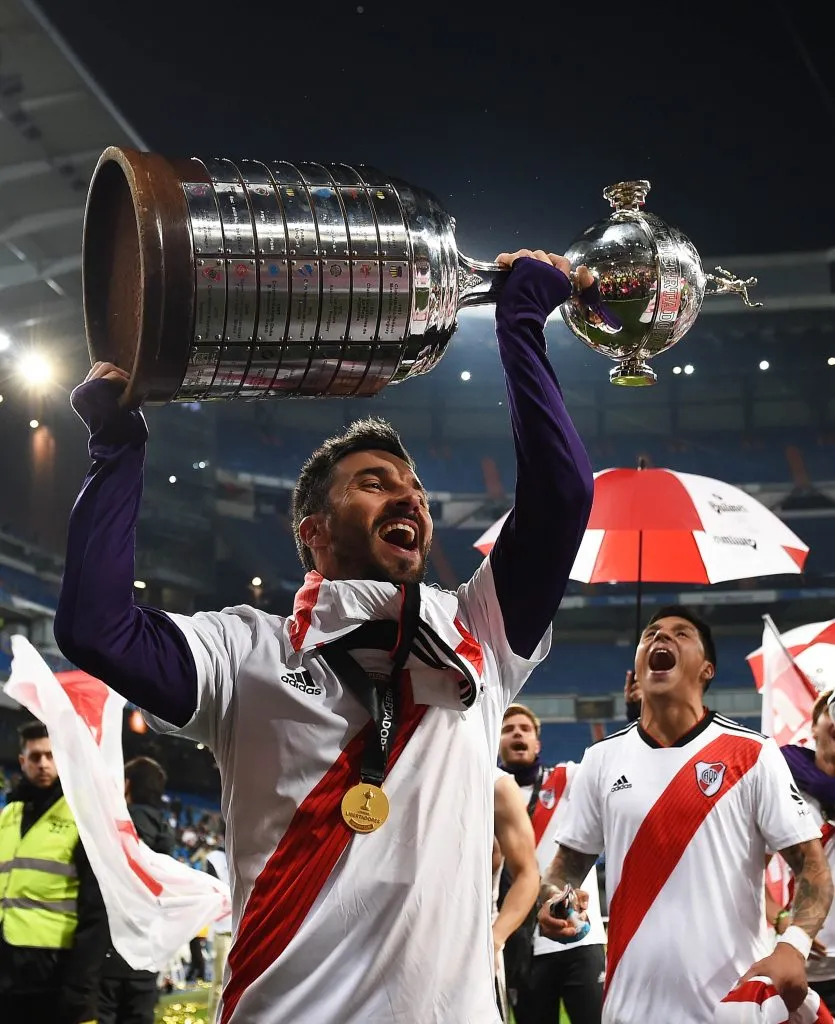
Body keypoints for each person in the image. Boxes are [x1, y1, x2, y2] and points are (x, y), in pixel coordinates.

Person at [53, 249, 596, 1023]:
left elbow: (562, 495)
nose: (408, 497)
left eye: (414, 489)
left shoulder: (476, 627)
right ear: (312, 531)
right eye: (374, 483)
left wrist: (521, 327)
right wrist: (116, 448)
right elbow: (96, 628)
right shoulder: (244, 651)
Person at [537, 605, 833, 1024]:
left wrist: (793, 946)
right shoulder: (600, 759)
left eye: (681, 634)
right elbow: (565, 867)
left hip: (732, 1009)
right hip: (628, 1011)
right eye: (651, 633)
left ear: (707, 669)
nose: (661, 637)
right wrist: (554, 898)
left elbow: (814, 868)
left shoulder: (754, 754)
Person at [498, 702, 606, 1023]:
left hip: (581, 936)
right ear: (497, 742)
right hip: (522, 944)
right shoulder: (487, 793)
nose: (517, 733)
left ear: (537, 744)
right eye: (507, 729)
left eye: (525, 729)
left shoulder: (567, 778)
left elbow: (608, 772)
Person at [0, 720, 109, 1024]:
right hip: (7, 969)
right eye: (35, 757)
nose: (43, 764)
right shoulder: (8, 815)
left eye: (51, 755)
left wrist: (80, 987)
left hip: (54, 969)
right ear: (22, 761)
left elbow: (96, 911)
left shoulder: (82, 815)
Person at [766, 688, 835, 1011]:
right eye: (829, 712)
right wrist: (781, 918)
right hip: (800, 969)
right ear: (814, 728)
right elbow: (748, 874)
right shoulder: (787, 796)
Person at [98, 755, 175, 1024]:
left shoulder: (117, 825)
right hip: (147, 952)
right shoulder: (165, 832)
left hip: (109, 949)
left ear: (127, 784)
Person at [492, 768, 540, 1021]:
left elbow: (527, 874)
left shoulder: (494, 784)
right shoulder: (387, 772)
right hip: (396, 943)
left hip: (474, 949)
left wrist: (494, 939)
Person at [205, 825, 233, 1024]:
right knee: (220, 984)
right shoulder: (215, 858)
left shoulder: (250, 849)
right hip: (225, 928)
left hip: (245, 924)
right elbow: (214, 891)